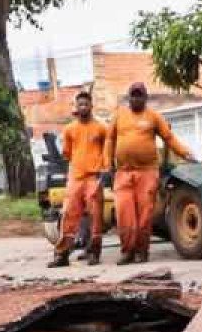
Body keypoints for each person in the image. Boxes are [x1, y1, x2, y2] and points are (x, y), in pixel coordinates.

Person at [105, 82, 193, 265]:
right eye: (133, 95)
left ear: (145, 98)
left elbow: (168, 137)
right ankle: (127, 252)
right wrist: (107, 164)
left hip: (147, 173)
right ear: (129, 97)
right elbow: (110, 139)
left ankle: (142, 252)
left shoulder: (153, 116)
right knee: (124, 214)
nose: (136, 98)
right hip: (123, 173)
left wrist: (185, 153)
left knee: (145, 216)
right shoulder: (119, 116)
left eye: (140, 95)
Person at [49, 90, 108, 267]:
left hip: (93, 178)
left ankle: (93, 253)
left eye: (86, 104)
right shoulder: (69, 129)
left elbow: (107, 151)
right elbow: (67, 153)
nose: (83, 107)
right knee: (68, 215)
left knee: (95, 216)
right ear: (77, 107)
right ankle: (62, 255)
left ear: (91, 106)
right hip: (75, 178)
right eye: (80, 104)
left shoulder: (101, 128)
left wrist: (103, 171)